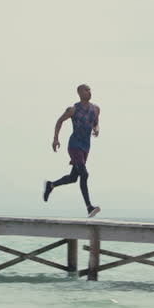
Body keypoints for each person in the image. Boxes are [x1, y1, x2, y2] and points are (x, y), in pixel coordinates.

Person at [44, 84, 101, 217]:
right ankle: (89, 207)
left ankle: (51, 185)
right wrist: (55, 139)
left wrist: (96, 129)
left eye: (90, 90)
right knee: (84, 174)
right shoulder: (73, 109)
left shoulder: (96, 109)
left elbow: (96, 122)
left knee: (73, 178)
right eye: (86, 90)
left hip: (86, 147)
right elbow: (59, 121)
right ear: (79, 93)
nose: (89, 92)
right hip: (74, 146)